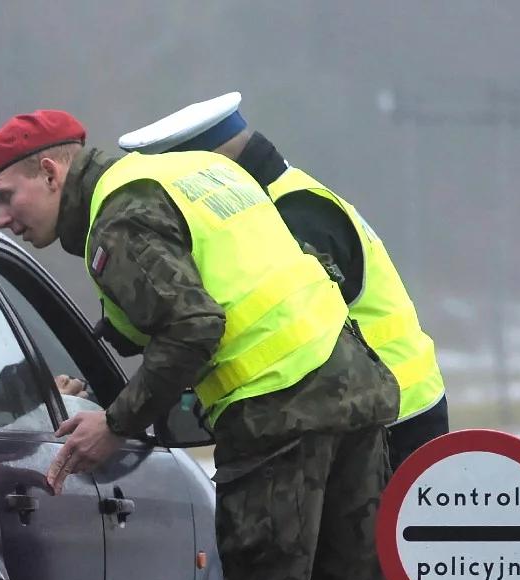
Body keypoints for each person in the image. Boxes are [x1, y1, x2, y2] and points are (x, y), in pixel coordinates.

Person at [0, 110, 422, 580]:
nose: (5, 217)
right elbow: (197, 297)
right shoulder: (195, 172)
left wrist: (115, 424)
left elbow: (192, 327)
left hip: (277, 416)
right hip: (352, 394)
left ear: (51, 171)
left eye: (8, 196)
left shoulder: (120, 221)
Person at [119, 92, 449, 471]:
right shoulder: (281, 198)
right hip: (376, 410)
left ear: (205, 170)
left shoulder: (293, 214)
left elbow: (286, 332)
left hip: (391, 420)